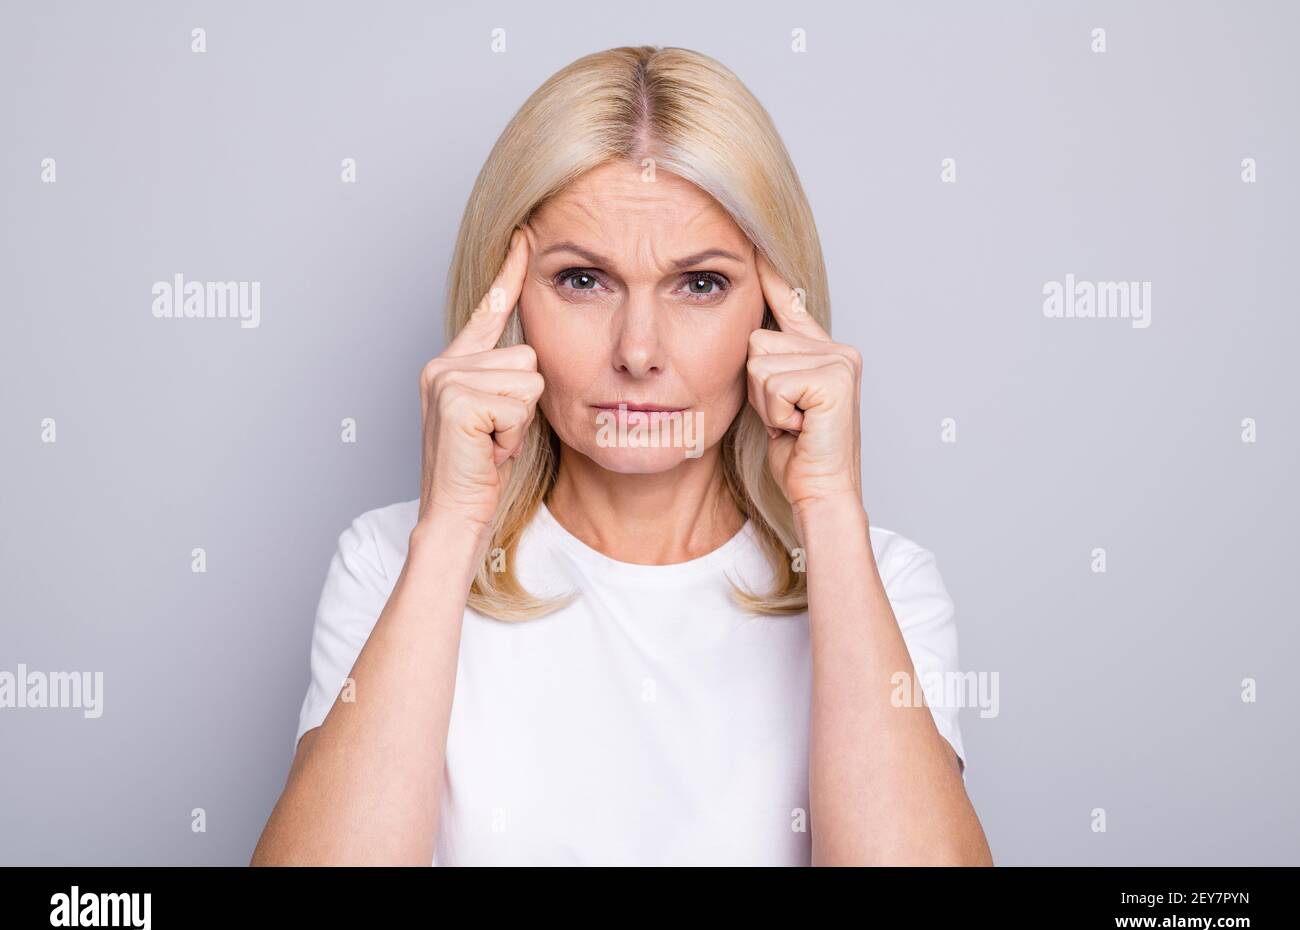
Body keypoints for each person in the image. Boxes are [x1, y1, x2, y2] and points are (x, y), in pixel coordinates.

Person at [251, 45, 993, 866]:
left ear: (777, 313)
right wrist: (455, 525)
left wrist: (827, 509)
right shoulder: (388, 562)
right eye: (583, 281)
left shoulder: (882, 583)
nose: (638, 351)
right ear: (509, 303)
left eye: (700, 285)